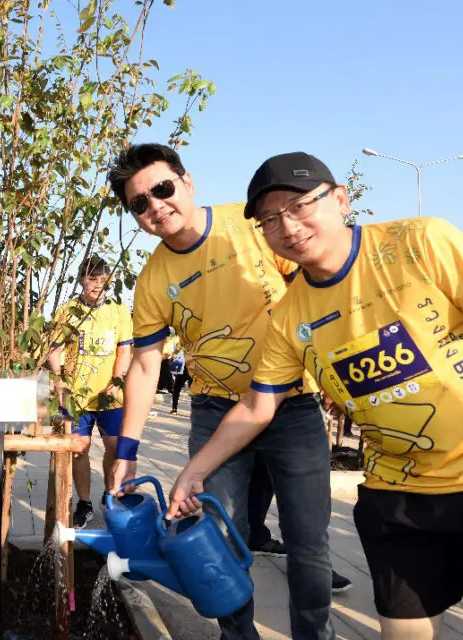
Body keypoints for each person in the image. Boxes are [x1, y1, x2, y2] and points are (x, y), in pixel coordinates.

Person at [170, 151, 463, 639]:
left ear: (341, 200)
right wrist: (193, 473)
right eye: (269, 219)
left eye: (299, 206)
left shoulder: (422, 243)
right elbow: (257, 404)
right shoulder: (290, 316)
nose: (287, 226)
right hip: (399, 501)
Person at [106, 143, 336, 639]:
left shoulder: (257, 225)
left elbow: (317, 290)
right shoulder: (152, 281)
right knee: (221, 539)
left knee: (308, 543)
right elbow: (145, 367)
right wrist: (126, 453)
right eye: (139, 204)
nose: (155, 206)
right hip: (214, 411)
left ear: (188, 182)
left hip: (291, 405)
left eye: (162, 189)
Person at [45, 256, 133, 529]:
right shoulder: (68, 311)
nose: (96, 284)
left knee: (114, 446)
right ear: (82, 280)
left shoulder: (119, 310)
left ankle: (110, 494)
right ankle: (84, 502)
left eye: (102, 279)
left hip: (109, 396)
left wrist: (117, 380)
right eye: (91, 279)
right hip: (76, 397)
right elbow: (55, 350)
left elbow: (124, 349)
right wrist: (60, 381)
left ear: (110, 280)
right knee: (79, 449)